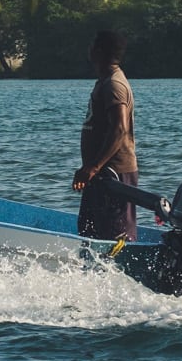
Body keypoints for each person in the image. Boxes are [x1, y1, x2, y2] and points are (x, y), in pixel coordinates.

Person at [73, 29, 139, 240]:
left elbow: (119, 129)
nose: (89, 49)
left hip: (114, 173)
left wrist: (93, 167)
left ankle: (123, 271)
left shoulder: (114, 85)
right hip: (100, 172)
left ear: (99, 51)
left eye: (93, 44)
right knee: (91, 231)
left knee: (115, 235)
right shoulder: (105, 81)